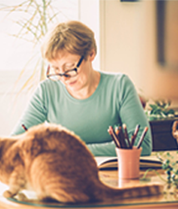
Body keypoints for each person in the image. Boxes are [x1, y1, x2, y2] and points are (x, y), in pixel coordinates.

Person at [11, 20, 152, 156]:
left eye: (70, 67)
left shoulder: (119, 86)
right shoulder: (46, 91)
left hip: (114, 176)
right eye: (55, 69)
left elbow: (143, 144)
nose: (63, 77)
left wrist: (71, 151)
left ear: (91, 54)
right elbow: (14, 143)